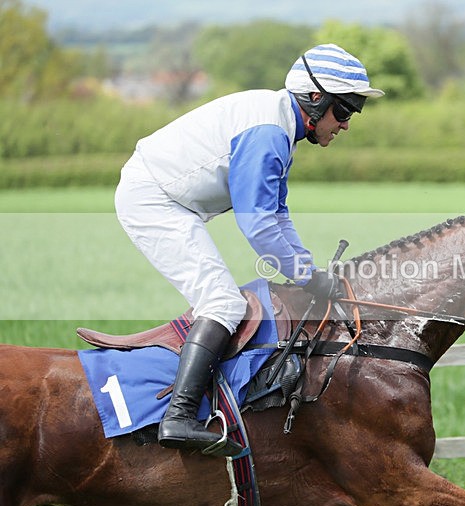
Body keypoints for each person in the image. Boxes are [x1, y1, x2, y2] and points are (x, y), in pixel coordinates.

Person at [114, 44, 384, 455]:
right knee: (223, 303)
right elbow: (257, 225)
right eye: (344, 110)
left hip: (168, 199)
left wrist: (309, 271)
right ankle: (178, 418)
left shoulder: (281, 126)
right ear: (315, 99)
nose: (346, 124)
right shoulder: (269, 133)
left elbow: (278, 214)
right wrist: (307, 276)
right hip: (153, 200)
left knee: (224, 300)